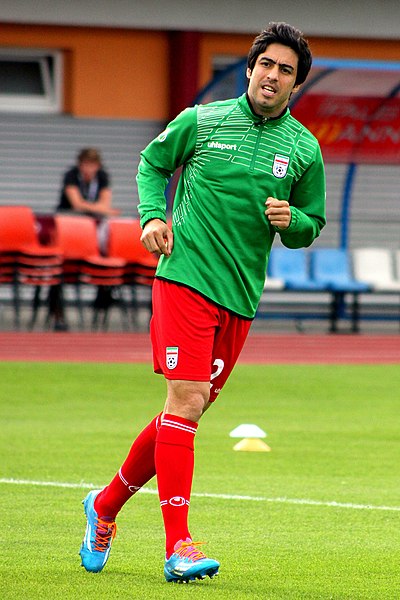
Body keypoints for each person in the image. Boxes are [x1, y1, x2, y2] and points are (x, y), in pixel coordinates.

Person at [79, 22, 326, 583]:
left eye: (286, 71)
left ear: (296, 86)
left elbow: (312, 225)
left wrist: (296, 221)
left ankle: (104, 506)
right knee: (187, 400)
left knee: (183, 412)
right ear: (250, 67)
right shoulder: (204, 119)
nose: (273, 75)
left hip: (239, 297)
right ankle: (179, 546)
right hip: (185, 277)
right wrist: (151, 215)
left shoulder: (304, 148)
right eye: (267, 64)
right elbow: (151, 163)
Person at [50, 148, 120, 330]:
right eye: (86, 165)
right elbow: (76, 204)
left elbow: (106, 204)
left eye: (93, 165)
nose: (89, 169)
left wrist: (96, 208)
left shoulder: (102, 177)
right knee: (57, 268)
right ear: (80, 165)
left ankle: (102, 302)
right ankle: (57, 314)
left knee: (108, 257)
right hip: (68, 228)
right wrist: (98, 209)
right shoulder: (71, 176)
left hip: (92, 231)